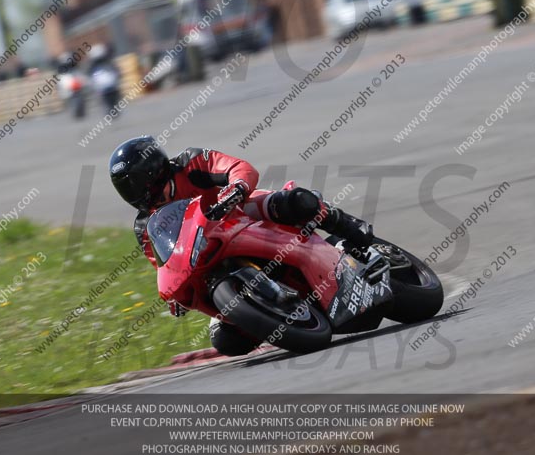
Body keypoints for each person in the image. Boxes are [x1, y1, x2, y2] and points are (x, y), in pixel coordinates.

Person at [108, 136, 374, 355]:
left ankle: (345, 225)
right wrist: (177, 297)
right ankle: (275, 313)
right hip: (205, 257)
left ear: (153, 171)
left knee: (294, 202)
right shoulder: (144, 225)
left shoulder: (190, 162)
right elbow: (163, 263)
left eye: (135, 182)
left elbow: (239, 167)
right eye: (126, 188)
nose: (134, 192)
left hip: (238, 214)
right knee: (226, 341)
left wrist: (236, 187)